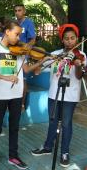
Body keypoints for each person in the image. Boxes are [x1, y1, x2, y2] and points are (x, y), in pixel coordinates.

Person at [0, 19, 50, 169]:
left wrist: (42, 60)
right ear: (7, 32)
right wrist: (5, 77)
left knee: (14, 127)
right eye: (17, 34)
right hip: (0, 95)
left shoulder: (19, 51)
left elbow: (25, 70)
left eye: (19, 35)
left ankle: (13, 156)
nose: (19, 38)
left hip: (16, 94)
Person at [31, 24, 86, 168]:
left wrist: (79, 65)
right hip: (54, 94)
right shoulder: (55, 54)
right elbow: (36, 71)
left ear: (77, 39)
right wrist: (42, 61)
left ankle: (64, 152)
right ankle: (48, 146)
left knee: (66, 124)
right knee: (53, 122)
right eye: (66, 38)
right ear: (62, 40)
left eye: (72, 38)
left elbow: (79, 76)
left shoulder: (81, 55)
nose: (69, 41)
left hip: (71, 96)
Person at [14, 4, 36, 111]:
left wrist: (28, 46)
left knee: (23, 79)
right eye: (16, 10)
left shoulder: (28, 23)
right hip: (13, 53)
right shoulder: (13, 23)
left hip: (23, 53)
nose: (17, 12)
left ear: (24, 11)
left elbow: (33, 39)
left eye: (19, 10)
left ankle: (22, 104)